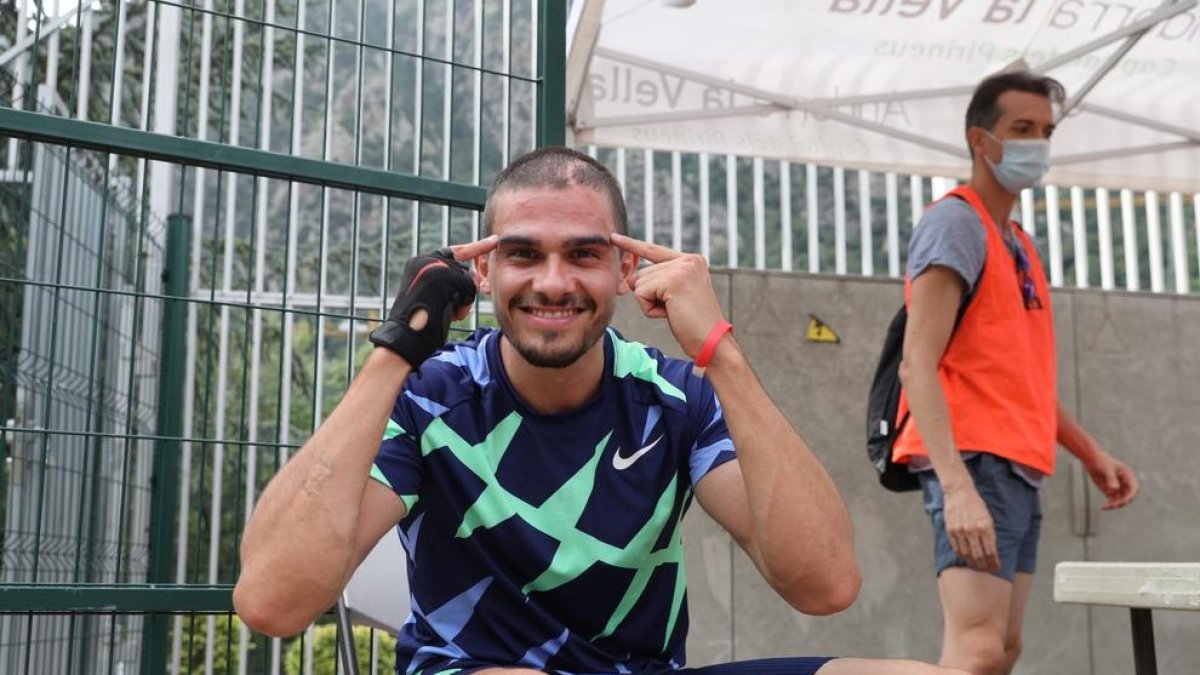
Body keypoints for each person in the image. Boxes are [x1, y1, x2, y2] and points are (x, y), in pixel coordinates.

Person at [235, 146, 961, 675]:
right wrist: (397, 346)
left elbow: (825, 583)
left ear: (625, 271)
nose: (553, 281)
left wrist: (721, 353)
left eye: (583, 254)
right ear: (481, 272)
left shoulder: (677, 395)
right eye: (524, 254)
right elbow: (271, 601)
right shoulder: (431, 394)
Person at [894, 71, 1140, 675]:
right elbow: (915, 362)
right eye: (1021, 129)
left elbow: (1020, 379)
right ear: (982, 140)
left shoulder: (1018, 242)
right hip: (975, 463)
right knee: (976, 649)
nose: (1038, 143)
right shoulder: (956, 223)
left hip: (1018, 467)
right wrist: (956, 488)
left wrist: (1089, 452)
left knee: (1003, 649)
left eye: (1046, 131)